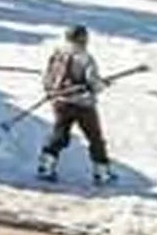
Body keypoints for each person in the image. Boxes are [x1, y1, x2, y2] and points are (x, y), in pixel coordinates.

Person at [38, 24, 112, 184]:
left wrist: (51, 94)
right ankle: (102, 172)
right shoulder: (85, 57)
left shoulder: (58, 54)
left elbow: (47, 77)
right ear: (82, 38)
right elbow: (93, 83)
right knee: (94, 137)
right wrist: (103, 85)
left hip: (60, 102)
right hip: (83, 104)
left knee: (60, 134)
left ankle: (46, 165)